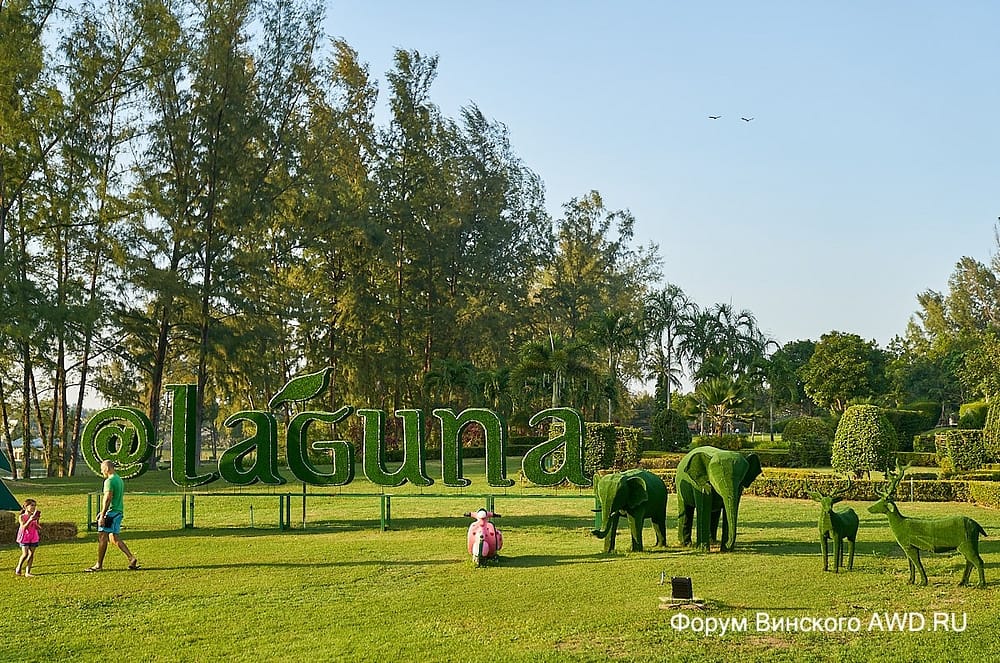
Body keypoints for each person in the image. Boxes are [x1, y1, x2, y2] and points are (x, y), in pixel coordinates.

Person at [86, 460, 139, 572]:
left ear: (107, 468)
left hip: (111, 512)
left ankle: (98, 565)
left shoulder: (109, 481)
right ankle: (131, 558)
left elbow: (108, 497)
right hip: (119, 511)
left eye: (102, 469)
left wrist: (102, 514)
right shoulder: (119, 479)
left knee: (102, 537)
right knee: (114, 537)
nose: (102, 472)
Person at [15, 498, 41, 577]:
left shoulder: (34, 516)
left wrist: (36, 521)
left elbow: (38, 527)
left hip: (33, 536)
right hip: (24, 537)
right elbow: (23, 527)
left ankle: (28, 572)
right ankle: (19, 567)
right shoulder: (22, 516)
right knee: (25, 554)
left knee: (31, 554)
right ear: (26, 506)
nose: (33, 507)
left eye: (35, 505)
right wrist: (30, 520)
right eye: (32, 505)